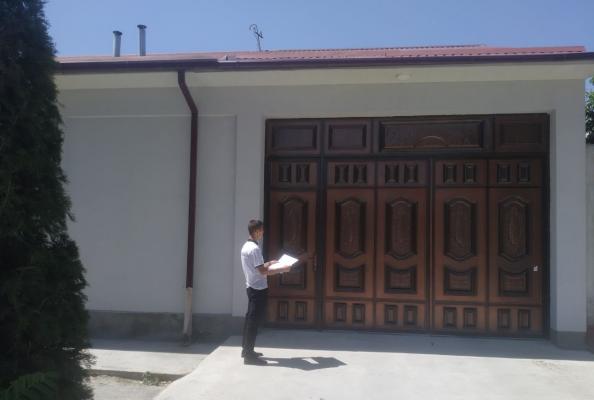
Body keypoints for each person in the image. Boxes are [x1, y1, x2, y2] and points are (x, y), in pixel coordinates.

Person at [240, 219, 280, 365]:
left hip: (251, 287)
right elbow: (262, 271)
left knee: (249, 319)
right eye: (261, 230)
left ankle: (246, 350)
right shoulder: (255, 249)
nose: (263, 232)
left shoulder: (246, 246)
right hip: (258, 288)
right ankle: (248, 356)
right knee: (253, 321)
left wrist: (270, 263)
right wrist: (281, 269)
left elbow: (258, 266)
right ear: (256, 231)